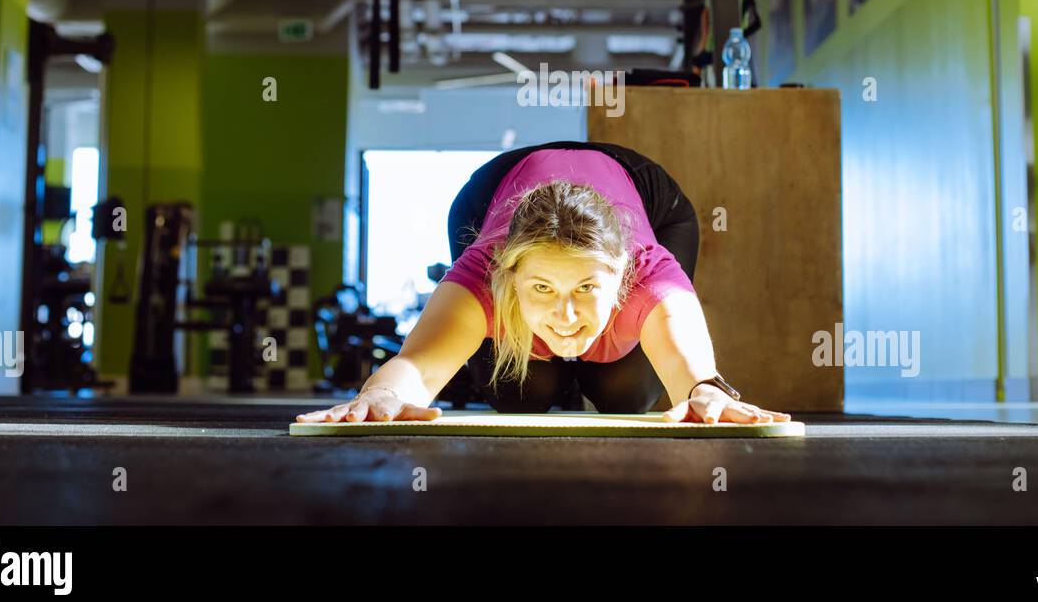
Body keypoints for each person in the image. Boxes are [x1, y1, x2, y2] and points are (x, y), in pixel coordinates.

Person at [297, 141, 791, 425]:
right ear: (509, 279)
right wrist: (378, 394)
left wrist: (706, 392)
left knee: (626, 394)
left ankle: (592, 352)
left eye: (586, 289)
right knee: (518, 395)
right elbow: (418, 369)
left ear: (623, 278)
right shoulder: (484, 271)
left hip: (643, 193)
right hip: (492, 190)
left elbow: (695, 377)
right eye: (542, 290)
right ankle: (554, 342)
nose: (567, 316)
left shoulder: (648, 270)